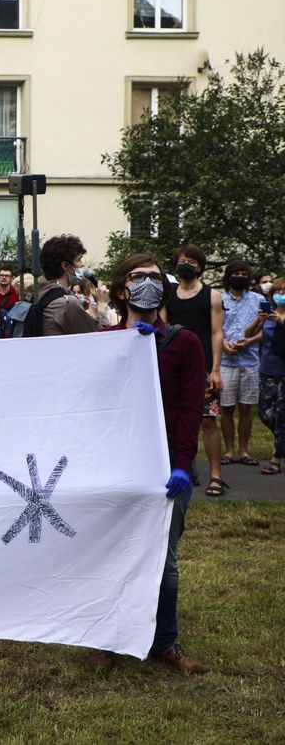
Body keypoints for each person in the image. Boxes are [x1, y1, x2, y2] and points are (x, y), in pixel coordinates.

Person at [89, 254, 207, 675]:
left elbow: (191, 409)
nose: (148, 284)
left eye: (156, 278)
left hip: (165, 469)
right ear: (122, 290)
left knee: (164, 559)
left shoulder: (185, 343)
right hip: (115, 465)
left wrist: (181, 464)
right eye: (139, 278)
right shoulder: (102, 340)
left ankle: (165, 641)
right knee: (108, 553)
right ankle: (107, 639)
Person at [165, 245, 227, 495]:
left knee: (208, 421)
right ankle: (185, 467)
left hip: (203, 370)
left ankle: (215, 475)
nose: (186, 264)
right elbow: (164, 328)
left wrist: (216, 370)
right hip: (174, 370)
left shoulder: (212, 295)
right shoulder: (168, 295)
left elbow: (216, 332)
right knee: (176, 420)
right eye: (181, 260)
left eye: (190, 261)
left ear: (200, 266)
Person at [218, 260, 266, 466]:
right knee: (226, 408)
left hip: (250, 361)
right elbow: (213, 328)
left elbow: (268, 329)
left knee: (246, 408)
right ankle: (229, 451)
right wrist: (223, 344)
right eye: (236, 273)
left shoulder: (258, 299)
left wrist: (250, 341)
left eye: (244, 274)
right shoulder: (217, 299)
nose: (240, 277)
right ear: (228, 276)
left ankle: (244, 451)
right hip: (226, 361)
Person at [247, 276, 285, 476]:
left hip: (283, 372)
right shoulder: (269, 314)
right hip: (267, 370)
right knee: (265, 414)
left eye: (284, 292)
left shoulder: (278, 317)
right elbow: (249, 333)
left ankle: (275, 460)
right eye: (278, 291)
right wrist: (259, 320)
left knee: (280, 417)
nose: (281, 295)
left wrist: (279, 319)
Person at [31, 235, 99, 336]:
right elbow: (98, 335)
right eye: (79, 259)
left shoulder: (42, 293)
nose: (82, 265)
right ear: (65, 266)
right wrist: (102, 304)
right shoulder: (67, 302)